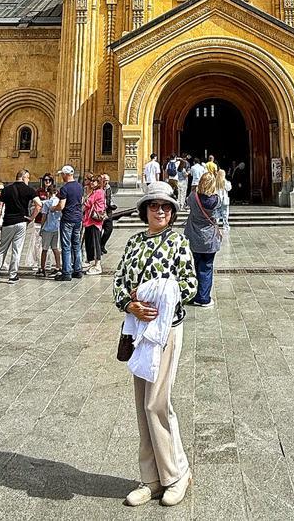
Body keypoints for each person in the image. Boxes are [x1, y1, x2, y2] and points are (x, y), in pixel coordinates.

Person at [113, 181, 198, 508]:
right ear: (144, 210)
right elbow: (119, 282)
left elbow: (190, 285)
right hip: (137, 331)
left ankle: (177, 474)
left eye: (165, 206)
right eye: (153, 205)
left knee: (156, 404)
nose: (159, 211)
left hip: (165, 332)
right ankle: (151, 479)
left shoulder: (178, 242)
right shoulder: (134, 242)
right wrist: (129, 304)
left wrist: (156, 293)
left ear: (172, 212)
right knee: (142, 405)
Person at [0, 169, 41, 284]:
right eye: (28, 178)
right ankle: (12, 276)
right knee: (16, 250)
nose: (28, 180)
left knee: (2, 249)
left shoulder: (6, 190)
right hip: (21, 222)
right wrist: (31, 218)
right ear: (24, 177)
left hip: (8, 222)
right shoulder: (29, 190)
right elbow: (39, 205)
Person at [184, 170, 222, 309]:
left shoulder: (193, 196)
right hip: (209, 239)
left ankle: (193, 294)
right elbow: (218, 216)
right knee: (206, 267)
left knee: (194, 266)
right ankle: (204, 298)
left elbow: (187, 204)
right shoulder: (216, 200)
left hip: (193, 237)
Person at [56, 164, 84, 280]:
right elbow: (81, 201)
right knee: (76, 245)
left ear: (65, 174)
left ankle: (66, 272)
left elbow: (61, 206)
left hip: (67, 218)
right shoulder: (80, 187)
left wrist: (53, 208)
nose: (61, 177)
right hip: (78, 218)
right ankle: (78, 270)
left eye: (62, 174)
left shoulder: (65, 188)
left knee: (66, 246)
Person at [25, 173, 54, 270]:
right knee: (37, 242)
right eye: (46, 180)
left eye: (49, 180)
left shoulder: (55, 192)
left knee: (49, 243)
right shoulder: (39, 192)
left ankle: (48, 263)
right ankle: (38, 263)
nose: (47, 182)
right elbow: (35, 205)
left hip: (50, 220)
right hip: (39, 219)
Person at [83, 174, 107, 275]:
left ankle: (98, 265)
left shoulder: (98, 192)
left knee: (95, 243)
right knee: (90, 243)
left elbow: (88, 203)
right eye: (91, 181)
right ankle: (92, 261)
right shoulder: (95, 191)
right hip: (90, 221)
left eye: (94, 181)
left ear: (98, 182)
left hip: (94, 221)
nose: (91, 183)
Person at [37, 188, 62, 276]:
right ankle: (58, 267)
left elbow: (44, 216)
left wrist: (41, 228)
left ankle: (42, 268)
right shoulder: (59, 202)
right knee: (55, 248)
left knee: (45, 249)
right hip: (56, 227)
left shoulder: (47, 203)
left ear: (48, 193)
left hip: (47, 228)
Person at [100, 173, 115, 255]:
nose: (106, 182)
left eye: (107, 180)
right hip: (100, 212)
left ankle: (102, 244)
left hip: (108, 211)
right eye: (105, 180)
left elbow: (110, 198)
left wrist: (111, 205)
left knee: (109, 229)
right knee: (99, 230)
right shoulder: (98, 188)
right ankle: (98, 248)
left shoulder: (108, 188)